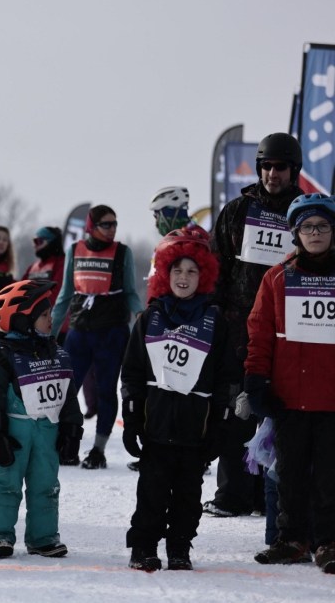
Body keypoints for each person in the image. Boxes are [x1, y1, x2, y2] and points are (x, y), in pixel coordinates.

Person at [120, 226, 233, 571]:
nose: (184, 278)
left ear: (205, 275)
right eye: (177, 270)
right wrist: (132, 418)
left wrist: (219, 427)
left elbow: (226, 378)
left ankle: (180, 547)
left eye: (192, 271)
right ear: (165, 274)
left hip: (194, 427)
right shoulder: (150, 318)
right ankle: (143, 547)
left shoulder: (216, 321)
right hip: (156, 425)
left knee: (188, 496)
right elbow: (133, 373)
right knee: (151, 494)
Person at [205, 132, 304, 518]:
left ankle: (273, 496)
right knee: (238, 411)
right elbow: (217, 269)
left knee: (284, 411)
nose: (271, 174)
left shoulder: (308, 214)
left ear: (293, 170)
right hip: (241, 328)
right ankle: (233, 495)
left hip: (292, 329)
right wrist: (216, 317)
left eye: (279, 167)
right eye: (266, 166)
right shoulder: (237, 211)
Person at [246, 194, 335, 572]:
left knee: (330, 478)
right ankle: (292, 538)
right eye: (307, 227)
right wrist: (255, 378)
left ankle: (329, 541)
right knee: (290, 475)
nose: (315, 233)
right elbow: (260, 332)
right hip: (289, 398)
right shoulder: (277, 277)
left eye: (323, 226)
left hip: (332, 400)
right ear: (296, 233)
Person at [0, 280, 82, 560]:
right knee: (7, 483)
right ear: (23, 320)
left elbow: (68, 394)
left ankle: (43, 537)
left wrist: (73, 429)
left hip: (48, 431)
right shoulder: (1, 356)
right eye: (44, 316)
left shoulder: (56, 353)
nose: (52, 320)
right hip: (15, 431)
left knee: (46, 485)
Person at [50, 204, 142, 469]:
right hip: (79, 331)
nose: (112, 229)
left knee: (105, 390)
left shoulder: (122, 252)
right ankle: (67, 445)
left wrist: (143, 319)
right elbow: (66, 295)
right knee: (68, 390)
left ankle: (98, 450)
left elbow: (131, 293)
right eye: (106, 224)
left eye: (115, 224)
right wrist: (49, 334)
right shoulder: (75, 250)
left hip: (111, 332)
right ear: (92, 226)